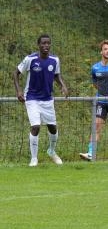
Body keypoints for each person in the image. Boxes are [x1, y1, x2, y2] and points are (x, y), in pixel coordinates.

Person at [13, 34, 69, 167]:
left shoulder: (55, 60)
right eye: (43, 43)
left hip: (48, 99)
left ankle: (51, 151)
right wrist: (19, 91)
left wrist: (63, 85)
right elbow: (15, 73)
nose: (46, 46)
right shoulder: (30, 59)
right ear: (38, 45)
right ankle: (34, 158)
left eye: (48, 43)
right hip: (32, 98)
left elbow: (56, 75)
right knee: (36, 126)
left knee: (53, 128)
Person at [80, 40, 108, 161]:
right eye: (105, 49)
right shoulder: (95, 68)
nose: (107, 51)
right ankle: (91, 153)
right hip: (101, 102)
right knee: (96, 127)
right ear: (101, 51)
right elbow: (95, 83)